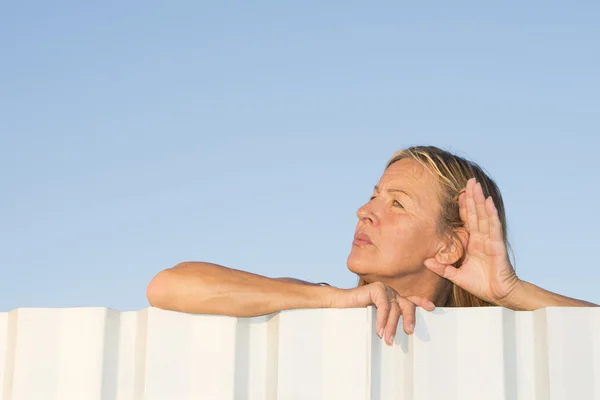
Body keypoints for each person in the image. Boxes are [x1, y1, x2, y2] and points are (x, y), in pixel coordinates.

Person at [146, 146, 597, 346]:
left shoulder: (504, 343)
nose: (364, 210)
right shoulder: (318, 301)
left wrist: (509, 292)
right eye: (374, 194)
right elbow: (168, 286)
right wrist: (331, 300)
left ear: (448, 247)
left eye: (396, 203)